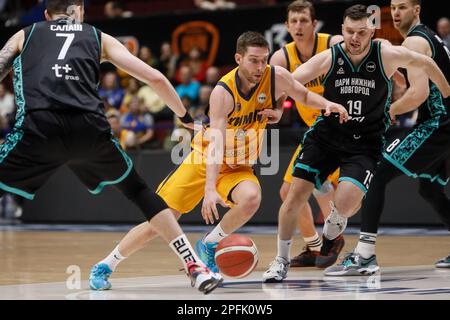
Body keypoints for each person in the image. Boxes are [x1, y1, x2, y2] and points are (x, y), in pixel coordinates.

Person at [88, 31, 348, 287]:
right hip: (203, 160)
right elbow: (215, 144)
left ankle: (208, 244)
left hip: (239, 165)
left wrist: (327, 104)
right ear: (238, 59)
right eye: (254, 60)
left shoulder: (276, 77)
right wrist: (210, 188)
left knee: (251, 198)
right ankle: (106, 265)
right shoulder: (223, 92)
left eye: (264, 60)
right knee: (159, 221)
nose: (260, 67)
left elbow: (303, 95)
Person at [0, 0, 222, 294]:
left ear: (46, 15)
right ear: (79, 12)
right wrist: (184, 117)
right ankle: (195, 267)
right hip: (89, 130)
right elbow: (154, 77)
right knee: (139, 192)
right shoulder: (97, 36)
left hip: (39, 129)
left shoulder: (24, 35)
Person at [263, 4, 450, 283]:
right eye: (350, 31)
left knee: (348, 202)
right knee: (292, 195)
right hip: (327, 136)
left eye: (362, 32)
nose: (355, 38)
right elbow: (291, 80)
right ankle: (280, 260)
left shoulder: (387, 52)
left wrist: (445, 88)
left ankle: (333, 233)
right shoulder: (331, 55)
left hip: (365, 142)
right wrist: (269, 104)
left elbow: (424, 63)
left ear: (371, 32)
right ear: (342, 31)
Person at [325, 0, 450, 276]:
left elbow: (417, 94)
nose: (395, 13)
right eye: (393, 7)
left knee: (377, 171)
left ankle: (365, 255)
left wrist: (386, 111)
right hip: (442, 124)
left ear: (417, 9)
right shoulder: (429, 37)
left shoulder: (416, 43)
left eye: (403, 7)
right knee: (429, 189)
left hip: (438, 125)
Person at [270, 0, 344, 269]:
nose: (299, 26)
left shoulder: (333, 43)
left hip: (343, 127)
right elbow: (275, 97)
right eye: (294, 21)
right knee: (288, 191)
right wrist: (274, 111)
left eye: (304, 20)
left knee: (336, 192)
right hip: (315, 133)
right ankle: (315, 246)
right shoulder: (281, 58)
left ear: (314, 24)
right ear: (287, 26)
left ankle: (334, 240)